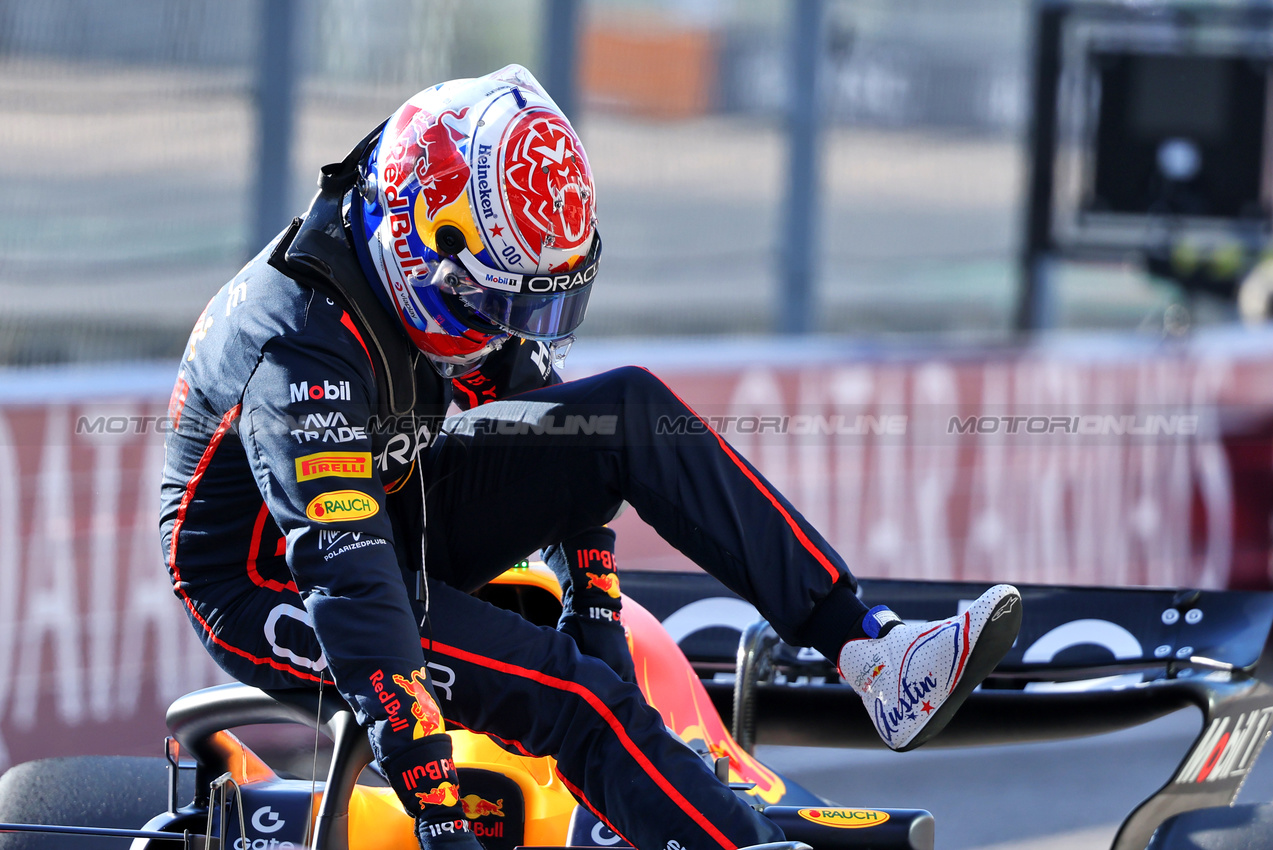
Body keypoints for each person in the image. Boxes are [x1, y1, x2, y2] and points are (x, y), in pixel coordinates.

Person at [160, 64, 1021, 850]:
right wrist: (435, 802)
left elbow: (559, 434)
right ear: (414, 243)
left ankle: (870, 651)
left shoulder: (456, 257)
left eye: (533, 304)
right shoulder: (300, 352)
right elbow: (352, 586)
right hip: (272, 578)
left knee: (629, 411)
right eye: (495, 301)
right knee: (576, 699)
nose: (507, 330)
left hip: (396, 490)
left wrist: (594, 605)